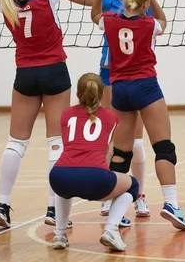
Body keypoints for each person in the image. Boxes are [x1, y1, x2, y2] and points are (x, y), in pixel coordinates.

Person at [0, 0, 79, 229]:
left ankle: (3, 204)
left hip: (25, 74)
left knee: (16, 143)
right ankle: (54, 210)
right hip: (55, 72)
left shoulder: (6, 0)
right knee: (57, 144)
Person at [89, 0, 185, 231]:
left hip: (120, 88)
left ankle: (116, 208)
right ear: (144, 3)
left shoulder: (110, 20)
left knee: (121, 153)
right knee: (164, 147)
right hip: (146, 86)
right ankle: (171, 204)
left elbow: (95, 15)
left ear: (124, 1)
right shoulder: (149, 24)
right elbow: (163, 20)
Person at [63, 0, 150, 218]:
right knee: (110, 136)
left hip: (138, 74)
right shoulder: (108, 0)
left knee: (135, 140)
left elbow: (159, 24)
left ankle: (140, 194)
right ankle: (110, 190)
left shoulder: (142, 2)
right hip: (110, 72)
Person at [50, 72, 139, 252]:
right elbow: (107, 152)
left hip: (58, 176)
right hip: (95, 177)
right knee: (133, 185)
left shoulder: (66, 115)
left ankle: (59, 234)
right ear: (102, 94)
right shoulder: (112, 118)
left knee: (65, 185)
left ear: (77, 94)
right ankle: (111, 229)